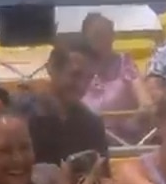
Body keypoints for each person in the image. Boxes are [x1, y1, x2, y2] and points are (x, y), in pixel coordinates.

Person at [16, 38, 109, 166]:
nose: (82, 85)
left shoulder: (91, 124)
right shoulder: (20, 118)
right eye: (75, 75)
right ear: (52, 68)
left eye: (89, 77)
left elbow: (103, 175)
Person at [78, 12, 154, 143]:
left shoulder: (125, 65)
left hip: (122, 143)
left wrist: (130, 124)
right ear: (86, 39)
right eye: (97, 35)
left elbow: (146, 104)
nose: (104, 41)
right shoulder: (78, 68)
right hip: (85, 139)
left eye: (107, 34)